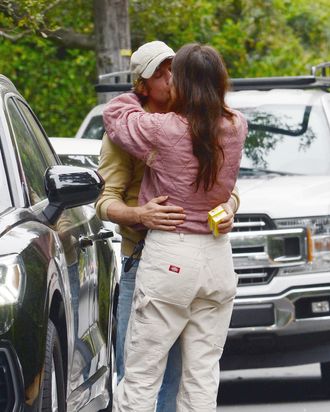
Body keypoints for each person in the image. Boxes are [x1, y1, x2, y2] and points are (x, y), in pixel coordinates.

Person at [97, 41, 242, 412]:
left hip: (170, 257)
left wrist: (133, 94)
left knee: (142, 373)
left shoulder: (162, 128)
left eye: (173, 72)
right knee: (202, 374)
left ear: (186, 82)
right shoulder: (235, 124)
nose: (168, 79)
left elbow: (115, 114)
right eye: (160, 73)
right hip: (216, 256)